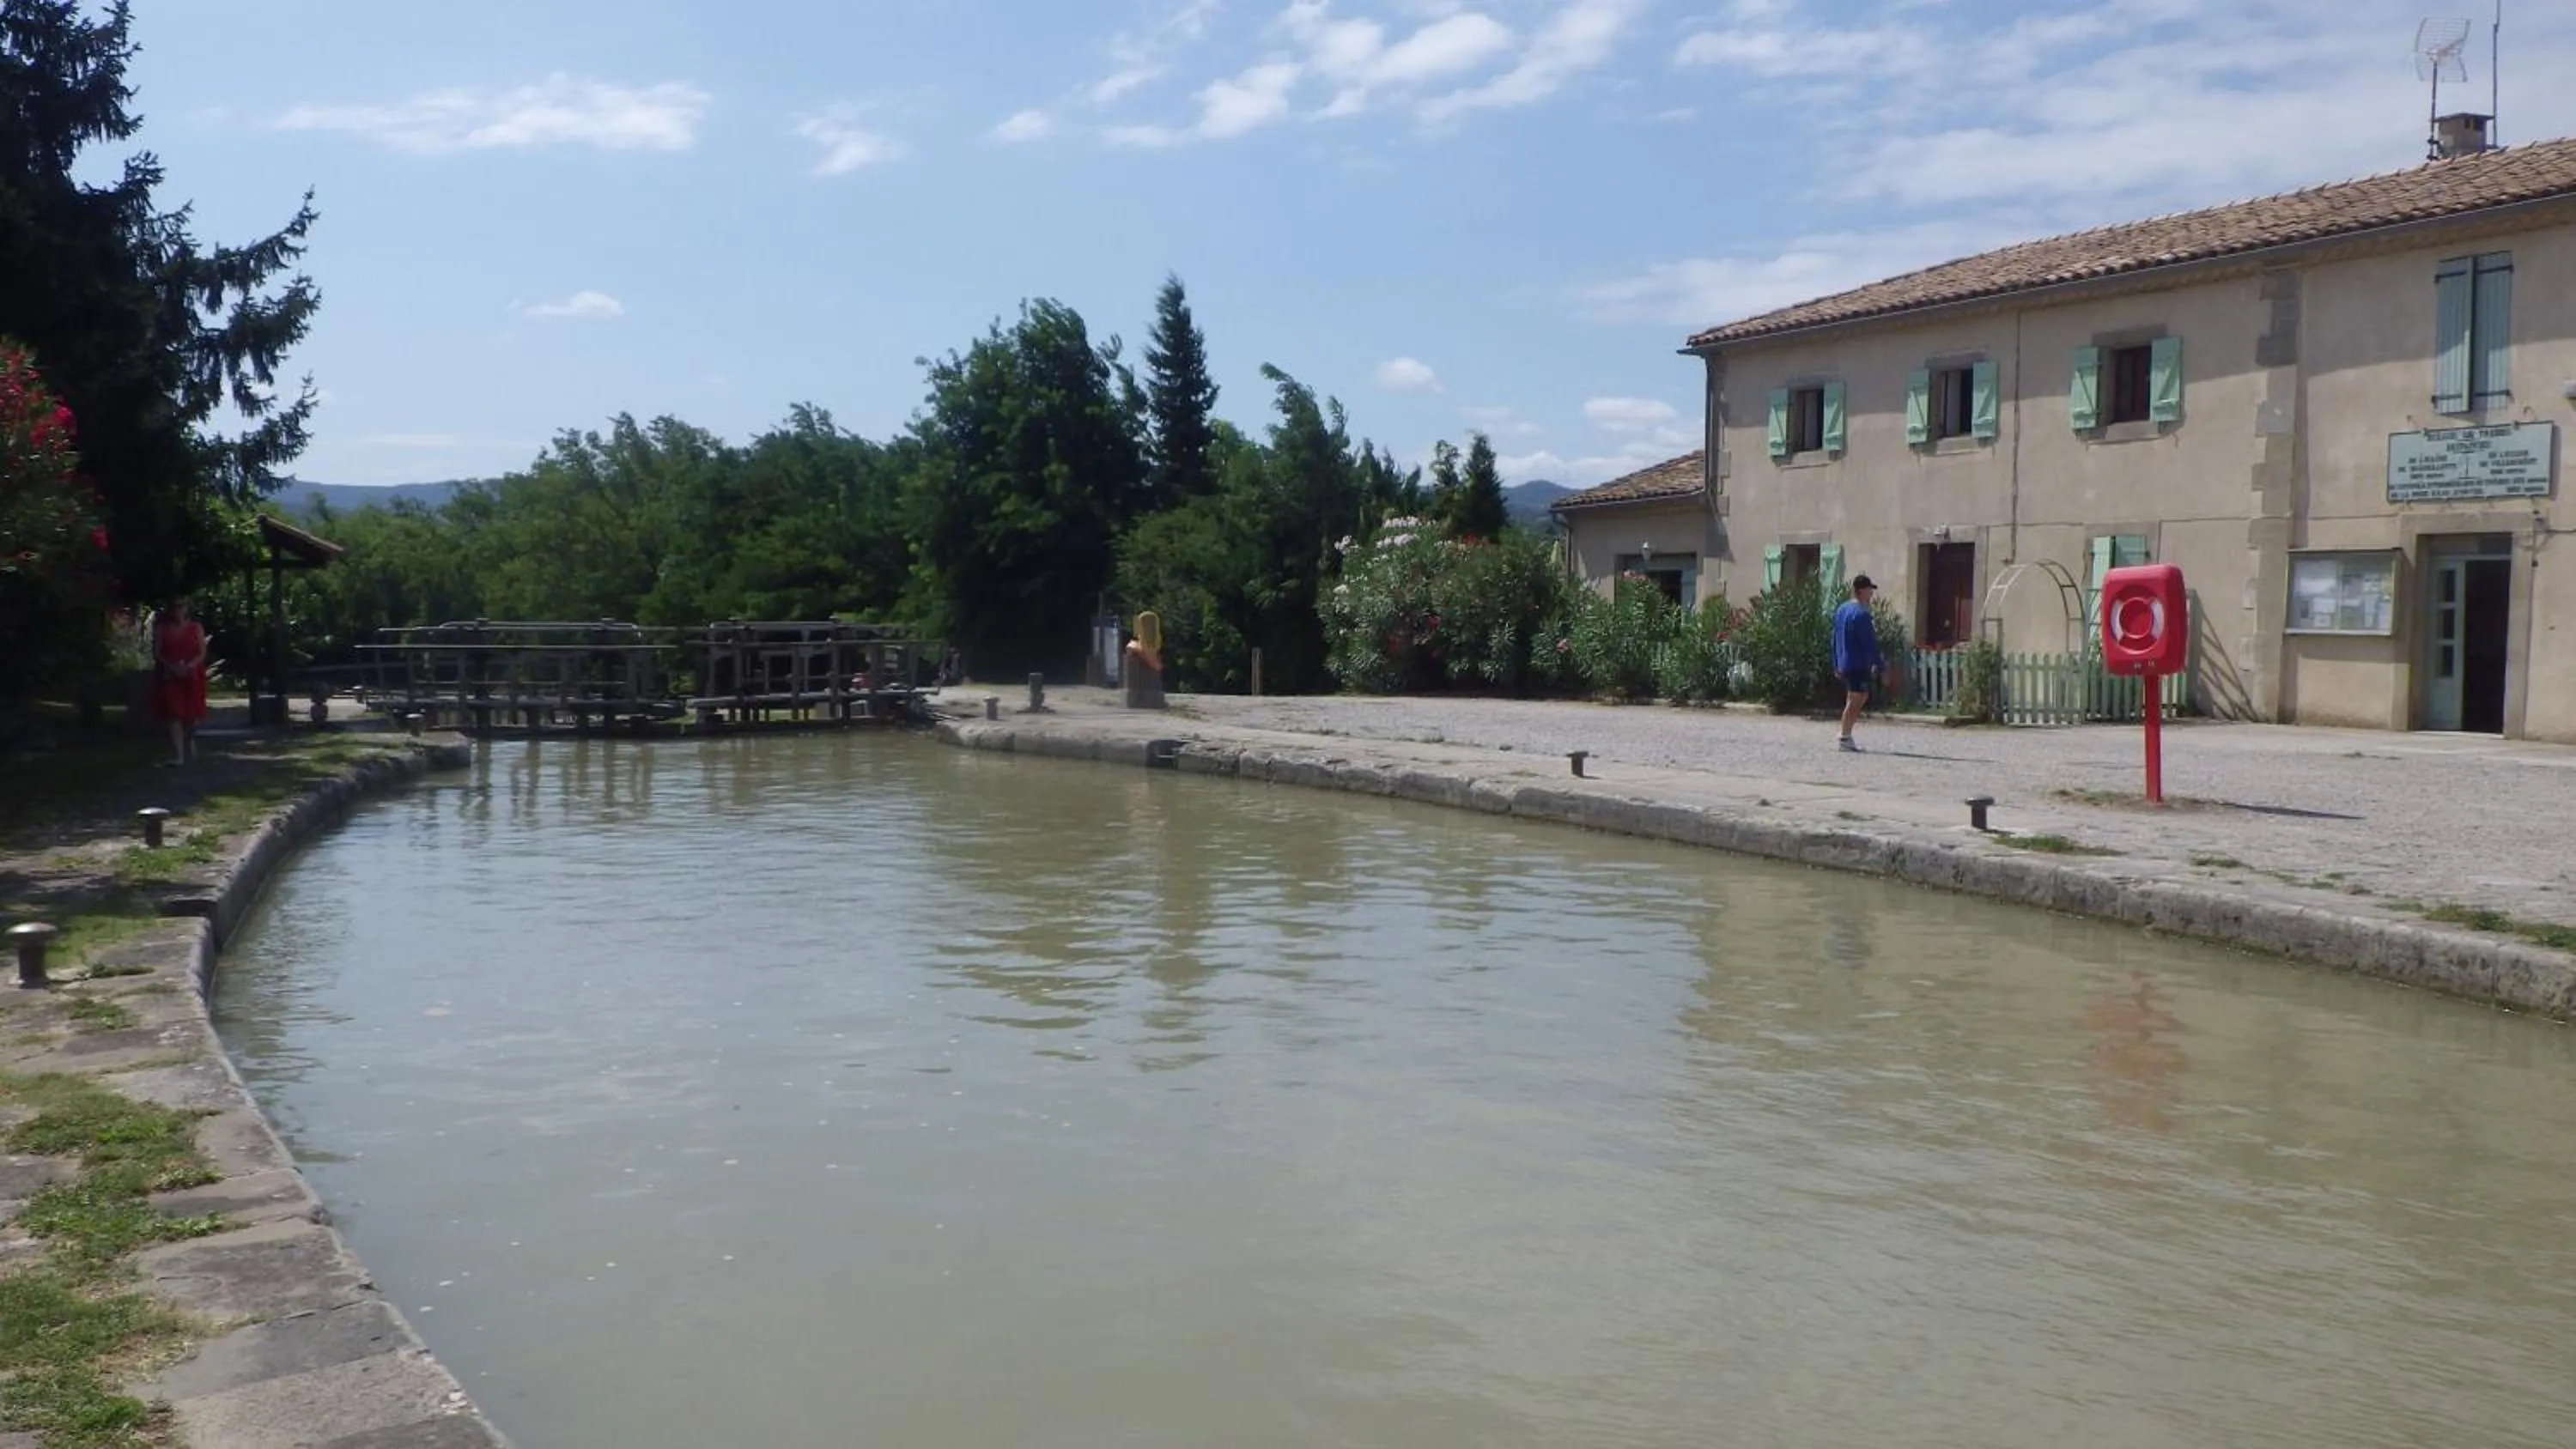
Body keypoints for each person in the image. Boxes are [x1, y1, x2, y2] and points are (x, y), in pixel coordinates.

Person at [152, 597, 210, 766]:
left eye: (182, 606)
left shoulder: (195, 627)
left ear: (187, 609)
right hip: (170, 674)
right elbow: (157, 653)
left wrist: (189, 666)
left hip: (192, 673)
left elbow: (202, 652)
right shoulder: (162, 628)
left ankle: (190, 740)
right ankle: (179, 755)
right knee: (174, 713)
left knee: (192, 715)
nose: (178, 610)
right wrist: (171, 666)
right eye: (175, 607)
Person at [1832, 574, 1880, 753]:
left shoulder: (1842, 610)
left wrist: (1836, 661)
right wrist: (1878, 663)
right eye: (1869, 590)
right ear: (1861, 591)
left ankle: (1846, 735)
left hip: (1845, 660)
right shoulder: (1861, 614)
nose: (1871, 594)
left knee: (1858, 697)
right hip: (1857, 661)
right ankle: (1844, 736)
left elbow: (1834, 637)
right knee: (1855, 699)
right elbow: (1869, 641)